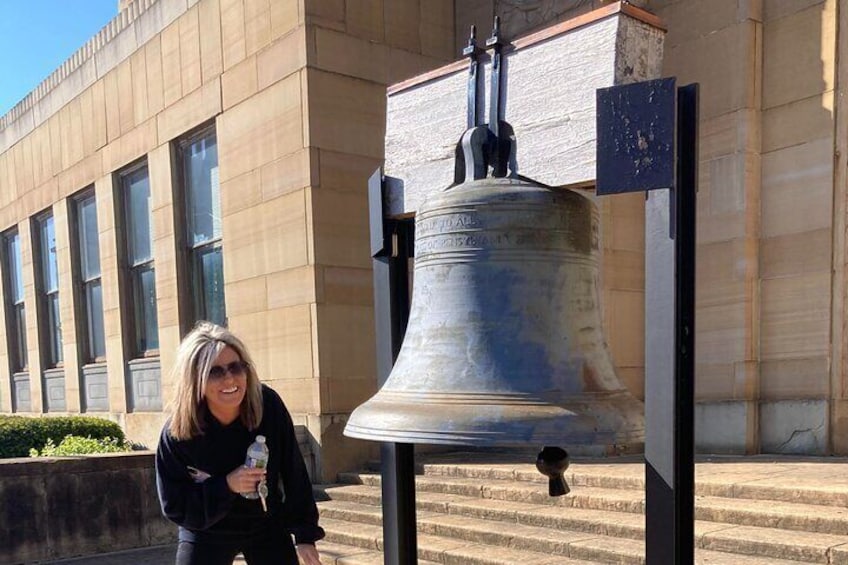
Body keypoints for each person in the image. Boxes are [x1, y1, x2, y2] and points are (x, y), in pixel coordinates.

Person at [155, 321, 324, 565]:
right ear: (195, 380)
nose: (230, 379)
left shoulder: (267, 405)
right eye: (215, 371)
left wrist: (306, 535)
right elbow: (174, 505)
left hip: (266, 522)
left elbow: (294, 471)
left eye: (236, 367)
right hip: (206, 530)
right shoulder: (177, 433)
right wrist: (225, 485)